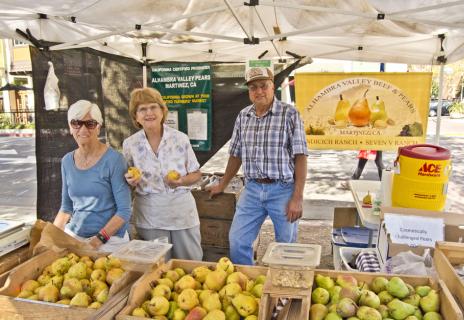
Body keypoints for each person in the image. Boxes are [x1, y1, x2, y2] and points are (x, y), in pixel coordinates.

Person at [207, 67, 308, 265]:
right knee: (238, 241)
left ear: (273, 87)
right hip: (252, 189)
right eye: (253, 87)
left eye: (263, 86)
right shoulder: (243, 116)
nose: (259, 91)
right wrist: (222, 184)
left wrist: (297, 198)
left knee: (285, 247)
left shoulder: (290, 114)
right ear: (249, 92)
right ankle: (246, 285)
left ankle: (282, 292)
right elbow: (235, 155)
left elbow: (301, 157)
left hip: (282, 190)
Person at [123, 87, 203, 261]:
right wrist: (131, 180)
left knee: (191, 266)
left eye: (153, 107)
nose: (149, 113)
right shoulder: (130, 144)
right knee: (157, 270)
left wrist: (181, 181)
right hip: (150, 215)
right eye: (142, 109)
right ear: (135, 116)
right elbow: (126, 178)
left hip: (182, 214)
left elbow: (196, 174)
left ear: (162, 110)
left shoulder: (180, 139)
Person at [53, 100, 131, 252]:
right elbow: (66, 207)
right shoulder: (67, 161)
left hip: (110, 238)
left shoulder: (115, 160)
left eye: (90, 123)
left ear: (98, 127)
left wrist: (96, 242)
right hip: (76, 235)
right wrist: (51, 238)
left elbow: (124, 211)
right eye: (76, 123)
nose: (83, 129)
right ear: (70, 127)